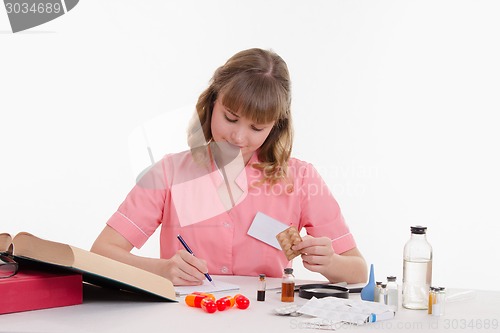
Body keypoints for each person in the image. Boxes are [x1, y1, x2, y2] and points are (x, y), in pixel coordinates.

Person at [91, 48, 367, 286]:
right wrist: (160, 270)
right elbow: (102, 253)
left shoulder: (302, 178)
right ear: (213, 103)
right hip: (185, 317)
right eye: (231, 118)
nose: (238, 137)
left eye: (256, 127)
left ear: (274, 127)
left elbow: (358, 271)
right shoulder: (169, 172)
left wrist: (330, 262)